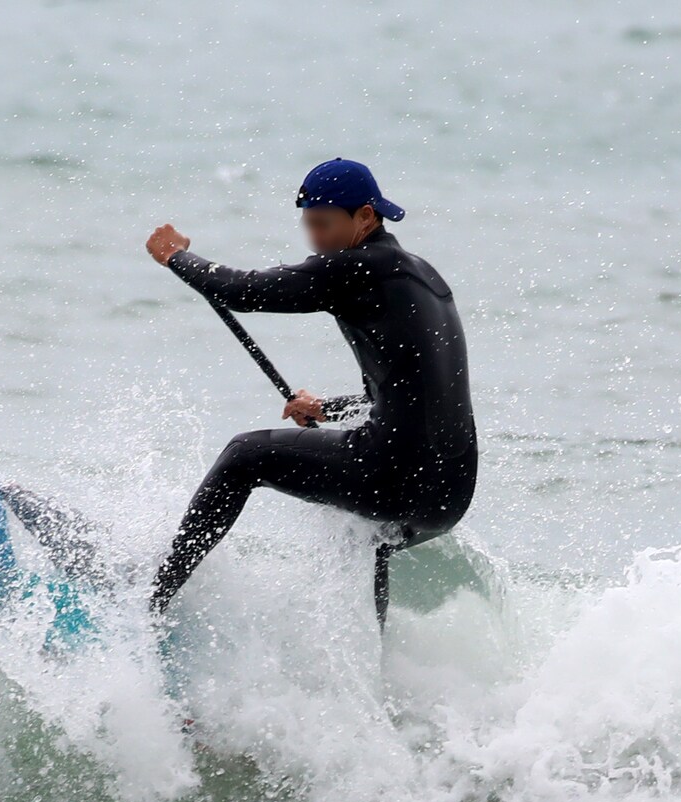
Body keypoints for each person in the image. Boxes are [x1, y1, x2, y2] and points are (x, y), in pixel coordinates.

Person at [143, 158, 478, 628]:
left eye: (324, 225)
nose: (315, 239)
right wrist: (327, 408)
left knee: (244, 454)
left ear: (365, 216)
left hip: (398, 477)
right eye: (308, 225)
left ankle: (149, 604)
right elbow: (407, 392)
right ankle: (367, 669)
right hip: (449, 494)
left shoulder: (360, 266)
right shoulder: (420, 277)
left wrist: (176, 256)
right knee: (367, 531)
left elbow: (243, 291)